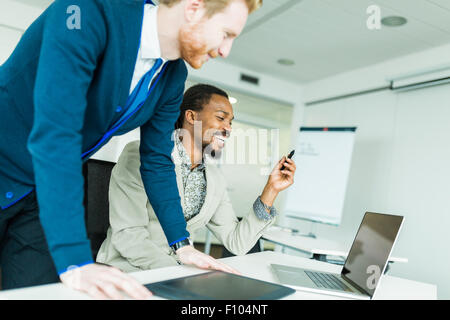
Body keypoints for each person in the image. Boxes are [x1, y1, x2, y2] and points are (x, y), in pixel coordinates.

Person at [0, 0, 261, 299]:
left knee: (36, 294)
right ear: (193, 8)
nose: (225, 50)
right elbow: (57, 137)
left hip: (41, 192)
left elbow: (156, 161)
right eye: (226, 33)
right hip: (11, 164)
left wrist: (182, 245)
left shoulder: (171, 76)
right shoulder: (86, 12)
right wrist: (75, 259)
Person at [96, 83, 296, 271]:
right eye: (220, 118)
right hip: (127, 269)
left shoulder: (215, 178)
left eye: (230, 122)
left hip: (176, 272)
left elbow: (237, 243)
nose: (228, 129)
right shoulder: (141, 156)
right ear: (191, 116)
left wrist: (271, 190)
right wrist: (177, 273)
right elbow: (128, 236)